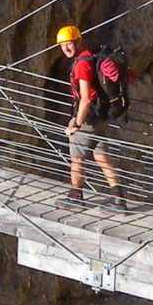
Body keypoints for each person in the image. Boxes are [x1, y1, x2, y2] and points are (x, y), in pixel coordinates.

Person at [55, 24, 127, 212]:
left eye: (68, 44)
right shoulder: (91, 55)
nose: (66, 49)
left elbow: (85, 98)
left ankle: (76, 195)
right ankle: (119, 197)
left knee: (77, 159)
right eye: (62, 46)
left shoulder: (82, 64)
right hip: (101, 116)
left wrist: (76, 125)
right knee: (101, 155)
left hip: (88, 118)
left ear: (78, 41)